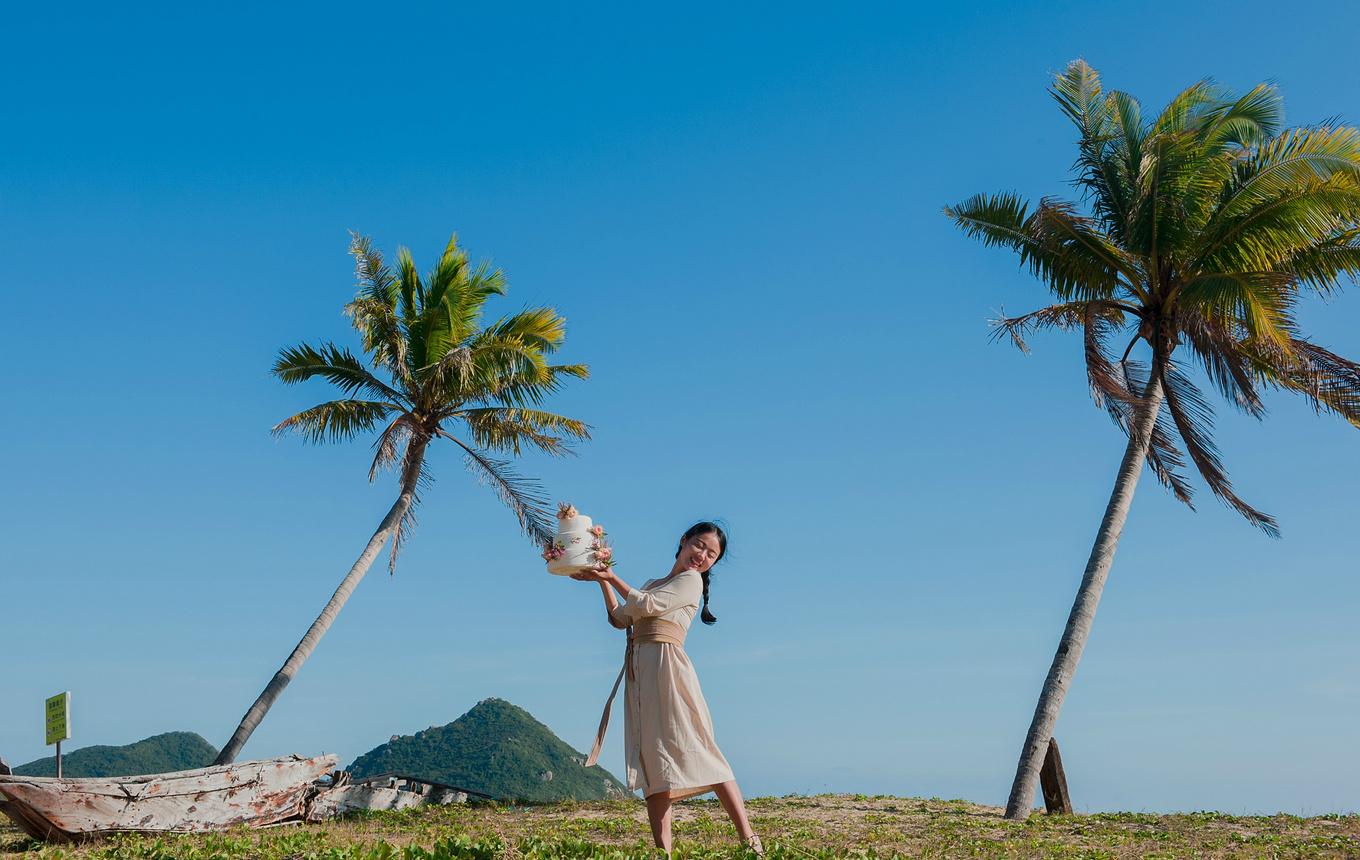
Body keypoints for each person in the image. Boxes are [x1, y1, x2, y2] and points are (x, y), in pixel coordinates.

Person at [571, 521, 763, 857]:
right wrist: (602, 583)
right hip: (642, 674)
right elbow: (620, 617)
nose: (702, 555)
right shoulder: (653, 583)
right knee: (653, 764)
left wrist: (610, 576)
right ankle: (664, 853)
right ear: (684, 540)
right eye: (699, 545)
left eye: (711, 554)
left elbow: (645, 606)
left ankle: (750, 840)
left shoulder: (690, 581)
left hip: (669, 671)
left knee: (702, 749)